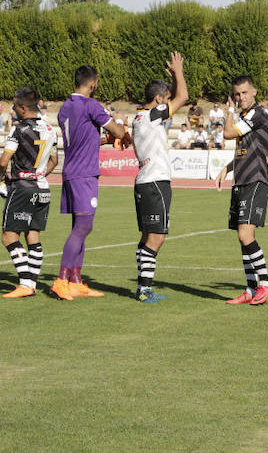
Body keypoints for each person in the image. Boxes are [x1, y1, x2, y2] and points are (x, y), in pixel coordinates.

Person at [52, 65, 128, 300]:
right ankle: (61, 280)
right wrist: (121, 127)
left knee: (79, 226)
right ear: (92, 83)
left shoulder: (65, 108)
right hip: (84, 174)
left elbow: (82, 139)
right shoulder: (91, 105)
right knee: (85, 226)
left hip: (71, 171)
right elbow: (117, 130)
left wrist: (102, 140)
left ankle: (75, 280)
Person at [130, 52, 189, 303]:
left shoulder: (141, 117)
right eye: (165, 100)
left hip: (145, 180)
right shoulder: (152, 116)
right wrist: (178, 72)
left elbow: (177, 98)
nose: (169, 104)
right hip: (155, 181)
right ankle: (144, 289)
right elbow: (183, 98)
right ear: (158, 100)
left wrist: (174, 83)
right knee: (157, 237)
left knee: (147, 237)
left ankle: (145, 287)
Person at [214, 75, 268, 306]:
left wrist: (228, 110)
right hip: (241, 181)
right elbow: (244, 151)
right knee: (242, 239)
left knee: (245, 235)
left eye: (244, 93)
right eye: (237, 94)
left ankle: (266, 284)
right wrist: (228, 168)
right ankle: (250, 288)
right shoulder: (246, 117)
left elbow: (227, 133)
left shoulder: (257, 114)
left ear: (255, 92)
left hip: (254, 181)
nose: (241, 98)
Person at [0, 87, 58, 298]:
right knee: (33, 235)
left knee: (9, 236)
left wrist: (1, 179)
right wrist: (39, 174)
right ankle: (31, 283)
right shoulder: (51, 130)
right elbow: (54, 161)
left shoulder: (19, 130)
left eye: (15, 106)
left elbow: (4, 161)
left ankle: (25, 284)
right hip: (42, 187)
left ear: (23, 108)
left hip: (22, 188)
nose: (13, 109)